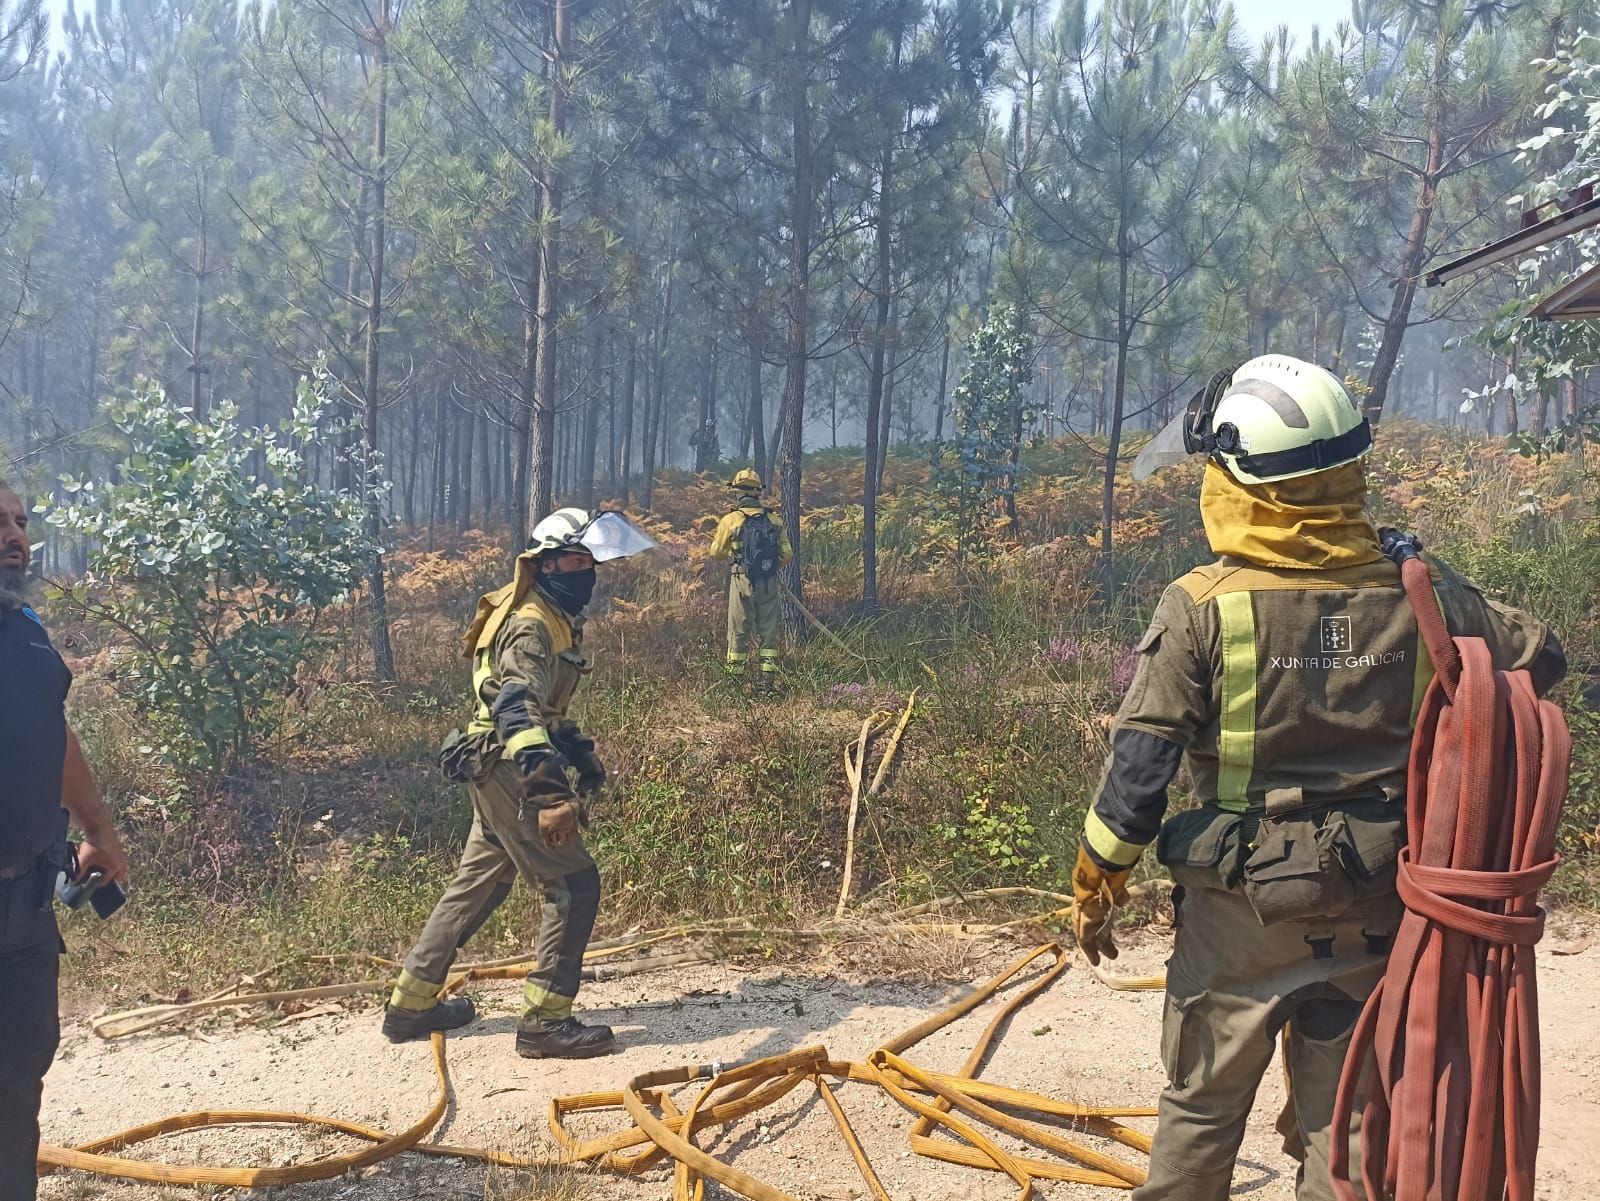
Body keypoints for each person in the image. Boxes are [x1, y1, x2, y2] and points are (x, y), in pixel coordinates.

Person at [1071, 356, 1565, 1201]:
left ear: (1240, 480)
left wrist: (1097, 879)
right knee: (1351, 1131)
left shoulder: (1201, 604)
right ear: (1346, 473)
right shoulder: (1421, 589)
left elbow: (1142, 771)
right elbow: (1540, 660)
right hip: (1375, 911)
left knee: (1201, 1110)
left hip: (1238, 919)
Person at [383, 507, 655, 1059]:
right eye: (576, 561)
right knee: (573, 886)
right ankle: (545, 1022)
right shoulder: (533, 622)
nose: (588, 571)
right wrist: (552, 794)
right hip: (510, 770)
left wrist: (578, 750)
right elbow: (515, 707)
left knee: (476, 885)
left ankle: (411, 1005)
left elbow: (541, 707)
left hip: (492, 766)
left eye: (590, 560)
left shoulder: (546, 613)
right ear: (547, 565)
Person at [0, 485, 129, 1201]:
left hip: (24, 907)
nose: (15, 535)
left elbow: (51, 734)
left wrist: (97, 828)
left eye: (20, 521)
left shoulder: (26, 631)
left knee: (20, 1068)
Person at [709, 468, 792, 694]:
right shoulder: (774, 520)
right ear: (758, 493)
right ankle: (767, 685)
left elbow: (715, 552)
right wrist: (768, 567)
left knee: (738, 631)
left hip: (740, 580)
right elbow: (787, 555)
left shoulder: (730, 520)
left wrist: (738, 556)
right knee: (768, 632)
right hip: (768, 582)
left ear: (737, 492)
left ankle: (734, 687)